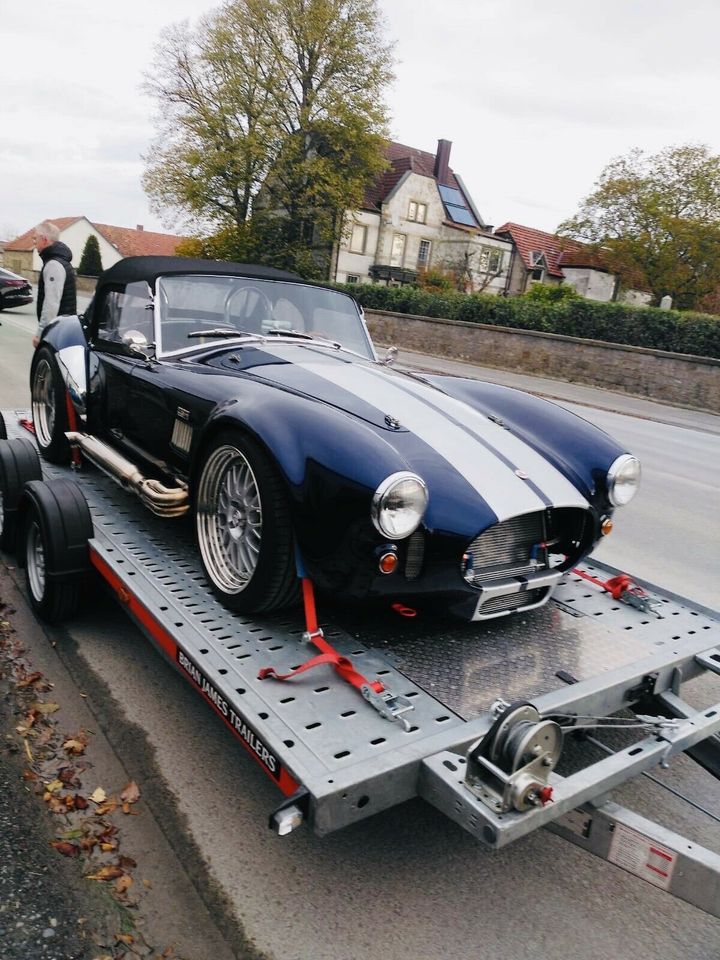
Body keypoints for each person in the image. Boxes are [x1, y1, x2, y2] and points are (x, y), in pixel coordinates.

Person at [32, 220, 77, 348]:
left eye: (35, 239)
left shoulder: (53, 265)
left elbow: (51, 303)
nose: (33, 243)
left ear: (44, 239)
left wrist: (41, 334)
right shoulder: (60, 261)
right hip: (62, 329)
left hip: (56, 332)